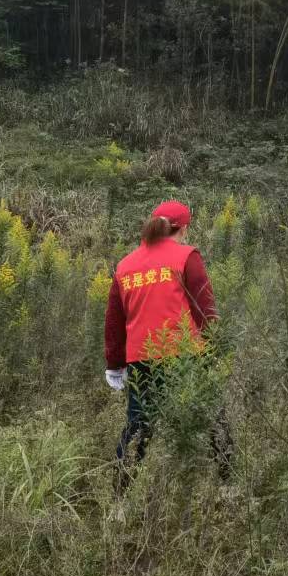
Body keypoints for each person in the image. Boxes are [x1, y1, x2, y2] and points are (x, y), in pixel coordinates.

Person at [104, 199, 220, 487]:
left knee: (138, 427)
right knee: (210, 417)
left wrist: (115, 365)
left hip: (141, 358)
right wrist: (215, 348)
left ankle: (121, 496)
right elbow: (205, 309)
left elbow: (114, 322)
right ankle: (226, 485)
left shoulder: (125, 265)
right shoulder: (186, 256)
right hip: (185, 354)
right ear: (183, 229)